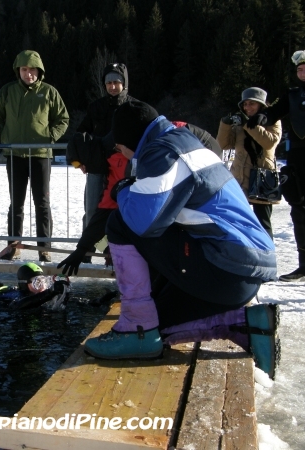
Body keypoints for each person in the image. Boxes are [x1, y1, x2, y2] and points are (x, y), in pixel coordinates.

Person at [82, 100, 280, 379]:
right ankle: (247, 325)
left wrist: (123, 189)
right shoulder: (182, 140)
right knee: (159, 323)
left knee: (120, 223)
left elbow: (143, 223)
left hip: (227, 268)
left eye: (119, 145)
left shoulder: (163, 152)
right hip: (240, 268)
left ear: (129, 140)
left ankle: (136, 327)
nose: (119, 151)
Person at [58, 122, 222, 276]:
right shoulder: (110, 160)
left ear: (87, 154)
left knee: (185, 207)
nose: (82, 170)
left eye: (78, 163)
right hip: (183, 148)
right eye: (74, 166)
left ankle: (208, 262)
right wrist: (81, 249)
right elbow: (105, 210)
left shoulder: (117, 153)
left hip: (199, 143)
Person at [248, 48, 305, 287]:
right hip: (297, 158)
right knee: (299, 212)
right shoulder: (292, 94)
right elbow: (274, 112)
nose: (303, 73)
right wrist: (261, 118)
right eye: (299, 69)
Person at [0, 50, 70, 263]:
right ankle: (13, 246)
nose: (28, 74)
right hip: (15, 155)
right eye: (24, 69)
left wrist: (50, 137)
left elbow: (62, 118)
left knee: (42, 203)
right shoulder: (7, 91)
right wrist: (3, 137)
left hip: (40, 156)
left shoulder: (49, 92)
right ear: (19, 71)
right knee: (16, 203)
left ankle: (44, 248)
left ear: (39, 70)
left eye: (32, 69)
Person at [69, 63, 137, 262]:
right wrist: (78, 160)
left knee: (119, 211)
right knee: (92, 210)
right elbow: (79, 136)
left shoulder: (133, 107)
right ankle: (87, 250)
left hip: (124, 169)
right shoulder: (96, 107)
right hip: (98, 168)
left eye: (117, 82)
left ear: (124, 84)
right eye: (109, 83)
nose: (113, 86)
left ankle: (113, 251)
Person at [217, 87, 283, 239]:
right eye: (245, 104)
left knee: (263, 225)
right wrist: (225, 124)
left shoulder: (273, 120)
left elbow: (269, 142)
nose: (247, 108)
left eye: (252, 104)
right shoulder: (240, 124)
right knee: (238, 224)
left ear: (261, 105)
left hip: (262, 181)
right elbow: (223, 144)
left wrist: (249, 124)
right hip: (239, 180)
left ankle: (267, 256)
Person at [0, 262, 71, 311]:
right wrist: (49, 292)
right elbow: (18, 306)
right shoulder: (16, 296)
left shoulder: (41, 295)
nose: (42, 287)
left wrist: (64, 293)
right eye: (37, 283)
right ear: (24, 284)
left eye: (43, 281)